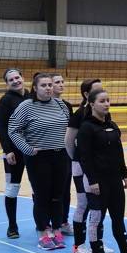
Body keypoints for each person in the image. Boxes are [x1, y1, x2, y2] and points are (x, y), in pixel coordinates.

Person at [77, 89, 127, 253]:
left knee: (118, 218)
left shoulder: (112, 125)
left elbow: (118, 152)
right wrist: (92, 180)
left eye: (108, 100)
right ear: (92, 104)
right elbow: (84, 157)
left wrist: (124, 173)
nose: (106, 104)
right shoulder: (86, 128)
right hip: (97, 182)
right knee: (96, 219)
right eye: (102, 101)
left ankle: (126, 252)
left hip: (115, 180)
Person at [8, 73, 71, 250]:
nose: (48, 88)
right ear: (35, 88)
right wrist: (27, 149)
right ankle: (42, 232)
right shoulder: (26, 106)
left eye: (50, 85)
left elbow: (68, 129)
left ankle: (57, 230)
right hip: (38, 158)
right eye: (43, 85)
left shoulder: (60, 104)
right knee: (42, 196)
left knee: (58, 196)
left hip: (60, 156)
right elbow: (13, 130)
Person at [65, 79, 116, 253]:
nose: (102, 93)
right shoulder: (79, 114)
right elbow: (68, 141)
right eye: (97, 90)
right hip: (81, 166)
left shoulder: (104, 114)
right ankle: (78, 246)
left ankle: (97, 242)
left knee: (98, 205)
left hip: (98, 167)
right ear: (87, 95)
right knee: (83, 204)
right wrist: (78, 160)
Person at [0, 68, 28, 239]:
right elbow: (1, 127)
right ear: (7, 84)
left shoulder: (31, 96)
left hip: (33, 151)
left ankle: (43, 223)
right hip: (13, 153)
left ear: (23, 78)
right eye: (11, 80)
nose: (15, 81)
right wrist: (8, 150)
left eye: (17, 77)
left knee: (39, 187)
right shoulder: (5, 101)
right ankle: (12, 226)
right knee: (12, 188)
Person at [51, 73, 75, 236]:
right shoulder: (42, 105)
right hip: (49, 153)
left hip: (65, 153)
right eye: (57, 82)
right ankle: (49, 224)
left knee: (65, 190)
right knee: (51, 191)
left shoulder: (67, 105)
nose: (61, 84)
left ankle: (64, 221)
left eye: (62, 81)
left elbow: (71, 130)